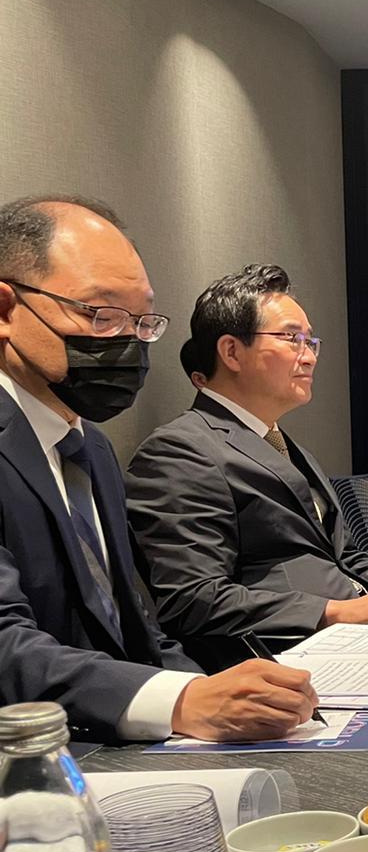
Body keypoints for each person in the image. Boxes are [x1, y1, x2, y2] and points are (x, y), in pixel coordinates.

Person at [0, 195, 316, 741]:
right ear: (6, 310)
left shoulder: (90, 449)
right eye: (100, 314)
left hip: (119, 745)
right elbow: (7, 645)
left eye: (141, 320)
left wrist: (219, 700)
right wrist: (184, 700)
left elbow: (137, 631)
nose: (126, 339)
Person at [125, 264, 368, 654]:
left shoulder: (280, 441)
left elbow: (345, 553)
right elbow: (194, 599)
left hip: (359, 637)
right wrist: (333, 611)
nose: (309, 357)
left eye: (311, 342)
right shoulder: (179, 450)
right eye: (292, 339)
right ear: (231, 351)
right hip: (286, 654)